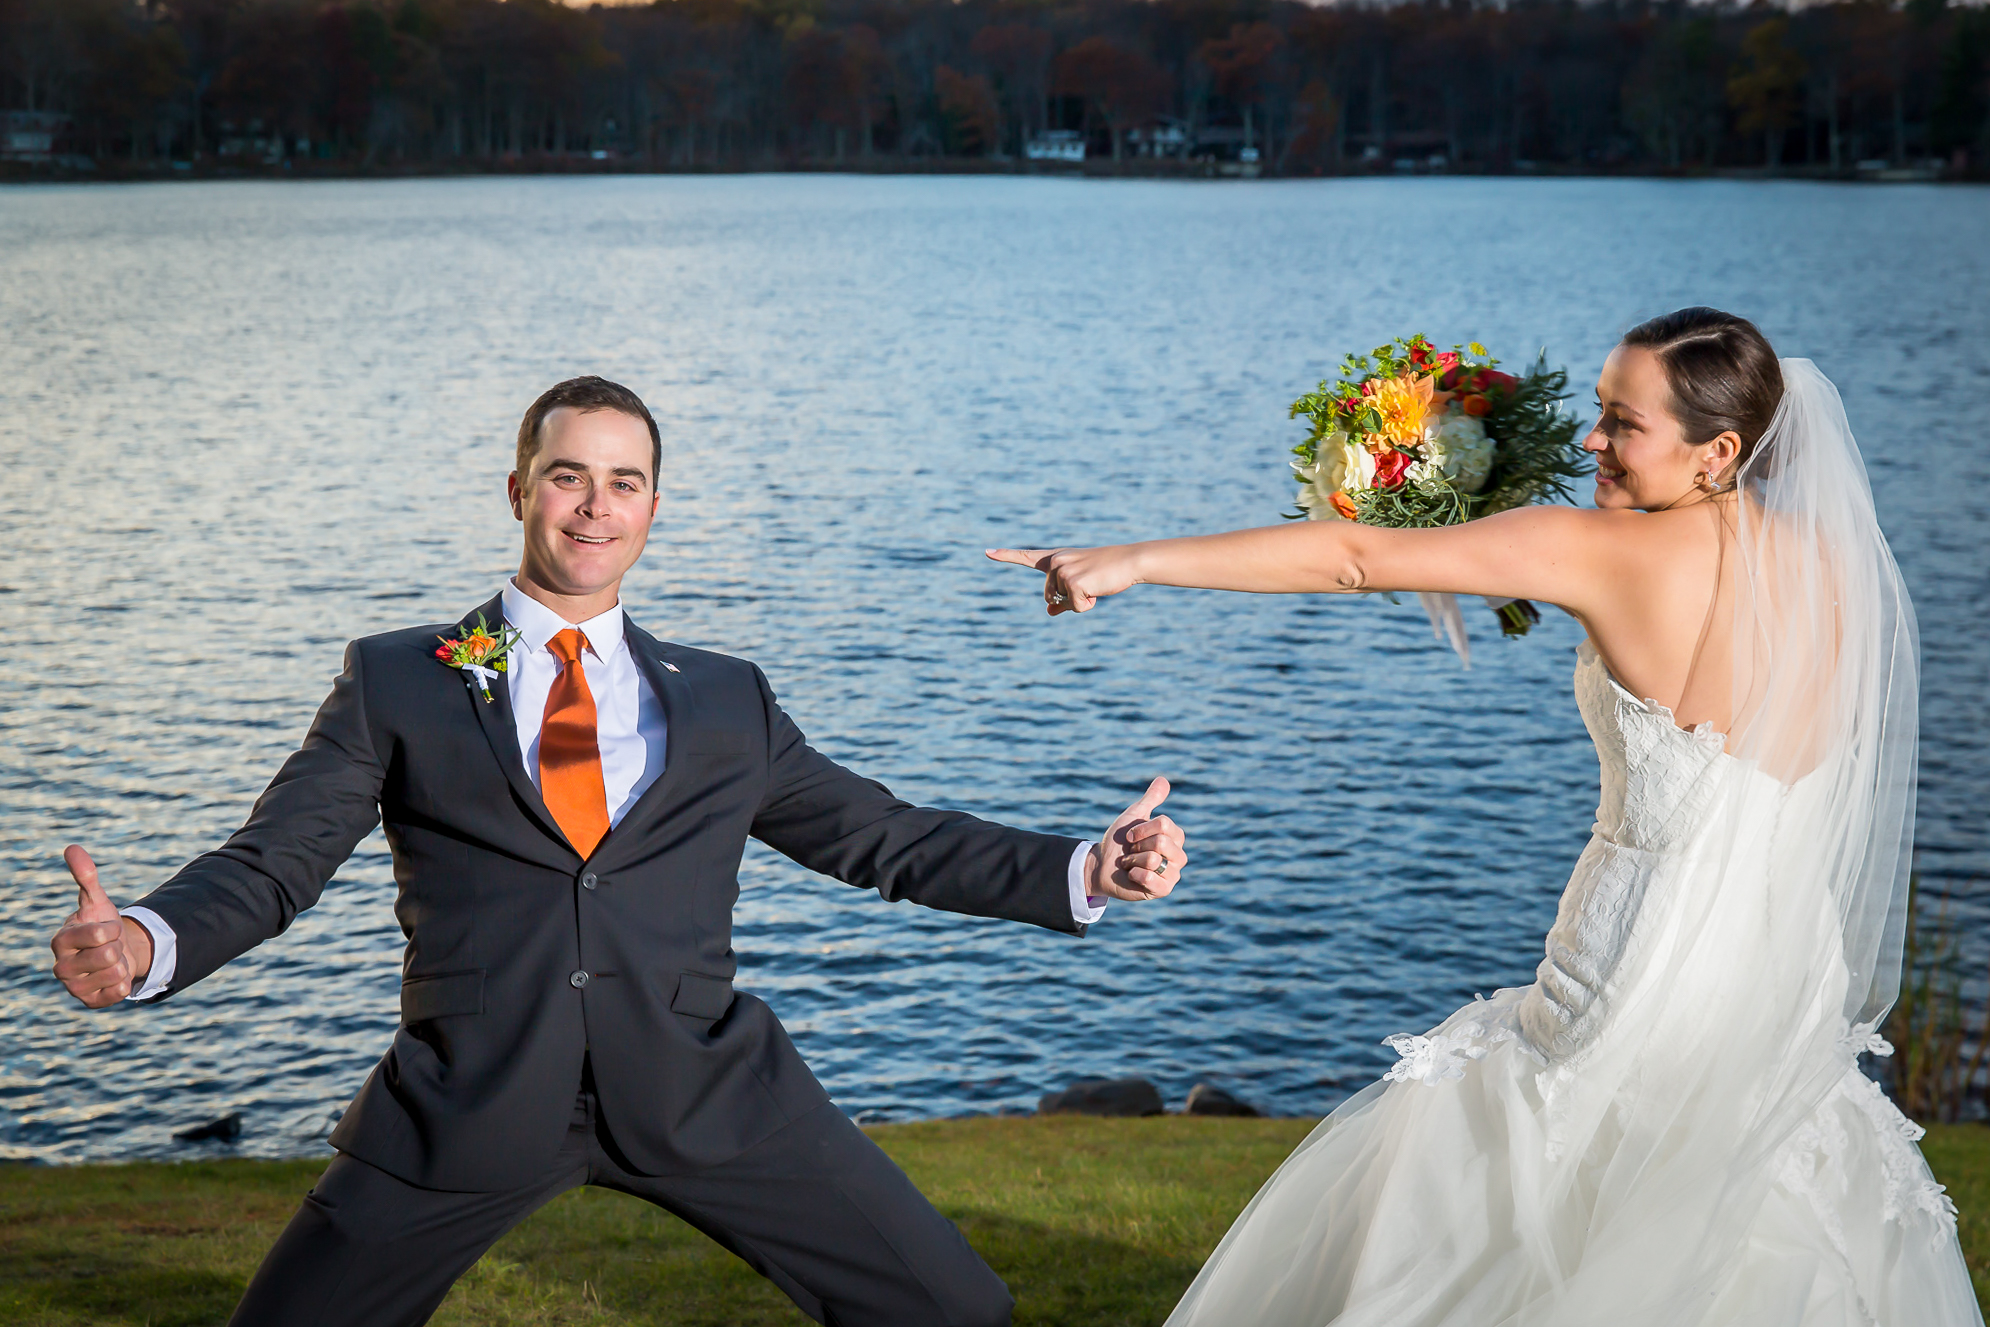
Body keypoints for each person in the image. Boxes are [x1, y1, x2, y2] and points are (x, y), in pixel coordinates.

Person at [49, 375, 1189, 1327]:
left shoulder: (727, 698)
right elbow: (274, 862)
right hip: (471, 1095)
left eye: (624, 481)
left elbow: (882, 837)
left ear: (652, 505)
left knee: (956, 1309)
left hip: (705, 1087)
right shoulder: (398, 678)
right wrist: (146, 940)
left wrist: (1086, 866)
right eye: (568, 476)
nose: (595, 506)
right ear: (518, 490)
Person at [991, 308, 1981, 1325]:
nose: (1592, 439)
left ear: (1717, 450)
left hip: (1639, 953)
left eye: (1622, 423)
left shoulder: (1605, 551)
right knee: (1767, 1203)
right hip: (1779, 961)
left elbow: (1354, 557)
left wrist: (1130, 559)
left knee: (1529, 1194)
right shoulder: (1834, 568)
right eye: (1596, 409)